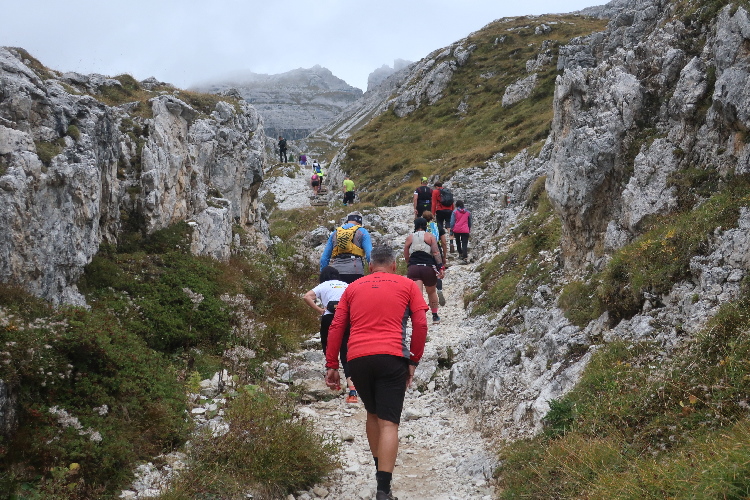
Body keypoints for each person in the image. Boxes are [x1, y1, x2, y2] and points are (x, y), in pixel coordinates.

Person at [325, 246, 428, 500]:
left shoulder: (352, 288)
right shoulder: (408, 285)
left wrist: (332, 365)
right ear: (394, 265)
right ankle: (383, 489)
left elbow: (337, 326)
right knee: (389, 422)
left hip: (358, 359)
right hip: (392, 357)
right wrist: (414, 359)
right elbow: (421, 323)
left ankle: (378, 471)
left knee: (372, 413)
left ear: (370, 266)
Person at [303, 266, 358, 403]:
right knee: (346, 351)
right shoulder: (346, 285)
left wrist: (320, 310)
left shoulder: (324, 285)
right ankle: (352, 391)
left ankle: (333, 377)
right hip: (346, 318)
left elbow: (306, 296)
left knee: (328, 347)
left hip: (329, 317)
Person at [403, 217, 445, 325]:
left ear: (415, 226)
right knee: (431, 292)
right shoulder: (430, 236)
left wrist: (409, 264)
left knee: (417, 294)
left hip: (414, 268)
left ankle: (419, 317)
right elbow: (436, 252)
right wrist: (440, 267)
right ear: (426, 226)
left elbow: (406, 255)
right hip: (428, 267)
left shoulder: (409, 238)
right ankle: (435, 316)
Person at [320, 212, 372, 283]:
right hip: (355, 270)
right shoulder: (362, 231)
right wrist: (373, 271)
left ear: (347, 221)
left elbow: (324, 258)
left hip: (336, 271)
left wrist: (323, 275)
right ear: (360, 223)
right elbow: (369, 255)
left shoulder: (335, 233)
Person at [423, 210, 447, 306]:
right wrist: (444, 256)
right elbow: (444, 242)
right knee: (438, 272)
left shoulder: (422, 227)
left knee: (428, 274)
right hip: (437, 250)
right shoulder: (438, 226)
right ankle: (439, 289)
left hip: (426, 251)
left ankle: (431, 297)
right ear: (432, 217)